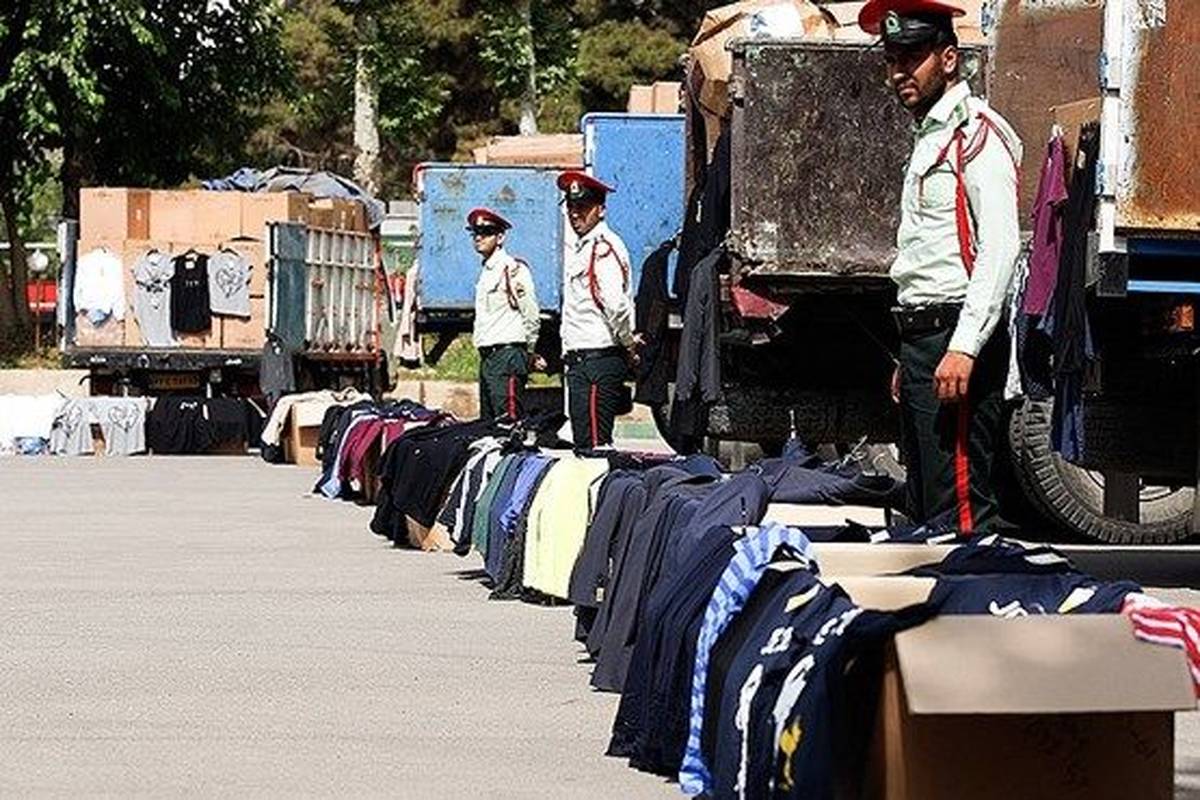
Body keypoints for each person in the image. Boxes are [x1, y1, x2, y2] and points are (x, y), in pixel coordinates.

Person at [859, 0, 1022, 534]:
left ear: (948, 58)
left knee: (964, 514)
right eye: (892, 59)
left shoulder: (975, 134)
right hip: (924, 339)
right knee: (931, 507)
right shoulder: (930, 134)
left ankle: (979, 589)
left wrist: (964, 347)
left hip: (955, 336)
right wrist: (913, 354)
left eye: (912, 57)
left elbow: (999, 249)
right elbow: (928, 257)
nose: (899, 71)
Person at [557, 170, 638, 449]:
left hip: (598, 359)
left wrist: (628, 343)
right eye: (571, 207)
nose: (575, 214)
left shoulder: (604, 247)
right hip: (581, 359)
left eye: (582, 207)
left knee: (595, 447)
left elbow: (616, 305)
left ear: (600, 210)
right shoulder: (583, 247)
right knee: (584, 445)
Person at [467, 207, 543, 420]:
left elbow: (531, 314)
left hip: (507, 356)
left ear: (500, 237)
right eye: (475, 233)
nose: (479, 238)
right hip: (488, 357)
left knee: (508, 422)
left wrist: (528, 352)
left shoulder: (512, 269)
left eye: (486, 232)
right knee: (489, 425)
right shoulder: (486, 272)